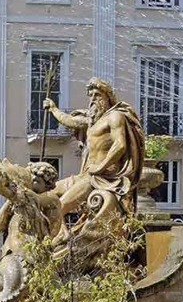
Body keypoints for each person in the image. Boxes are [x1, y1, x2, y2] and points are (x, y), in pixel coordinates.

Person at [43, 77, 145, 217]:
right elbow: (71, 121)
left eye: (97, 95)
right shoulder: (93, 121)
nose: (93, 99)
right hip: (86, 175)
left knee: (59, 207)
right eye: (90, 95)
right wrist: (53, 109)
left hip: (101, 177)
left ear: (108, 96)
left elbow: (120, 145)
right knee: (48, 194)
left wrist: (100, 167)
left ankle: (62, 230)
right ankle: (61, 229)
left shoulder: (115, 116)